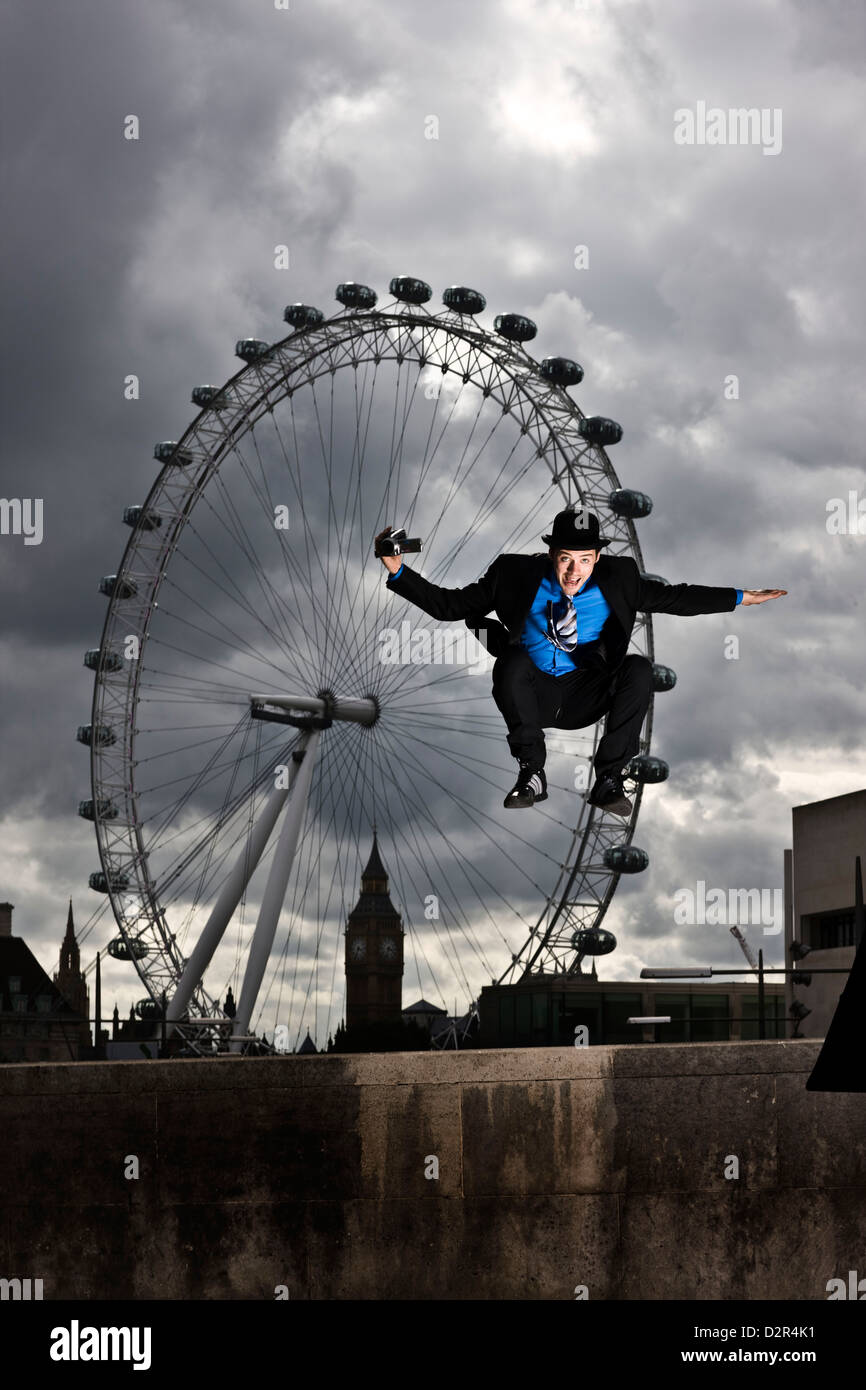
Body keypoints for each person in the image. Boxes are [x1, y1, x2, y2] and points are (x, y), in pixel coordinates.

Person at [376, 508, 786, 816]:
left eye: (585, 560)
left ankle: (609, 779)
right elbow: (449, 606)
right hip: (532, 692)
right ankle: (532, 773)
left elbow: (676, 598)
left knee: (638, 669)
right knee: (513, 660)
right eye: (565, 559)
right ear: (550, 553)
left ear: (597, 558)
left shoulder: (619, 580)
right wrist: (398, 571)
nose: (574, 572)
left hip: (585, 694)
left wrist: (740, 597)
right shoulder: (513, 575)